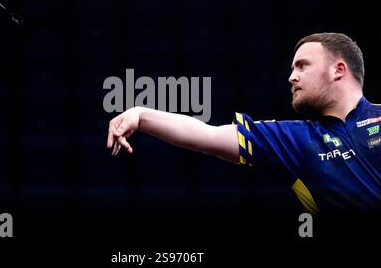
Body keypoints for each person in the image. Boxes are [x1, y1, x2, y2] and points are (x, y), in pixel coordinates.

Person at [106, 32, 381, 214]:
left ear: (339, 70)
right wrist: (141, 115)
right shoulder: (294, 139)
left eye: (303, 66)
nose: (292, 78)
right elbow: (208, 136)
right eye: (292, 68)